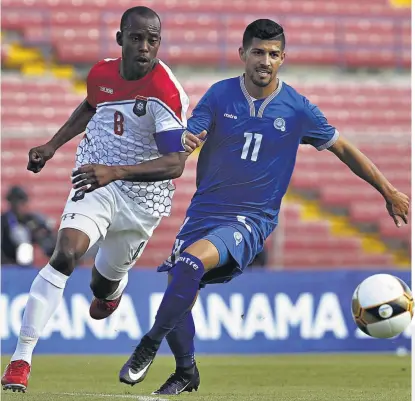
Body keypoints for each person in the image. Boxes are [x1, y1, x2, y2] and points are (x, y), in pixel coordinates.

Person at [118, 19, 410, 395]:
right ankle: (186, 371)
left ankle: (149, 345)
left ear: (283, 58)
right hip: (203, 213)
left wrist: (387, 190)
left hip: (249, 220)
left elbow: (344, 149)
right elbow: (193, 132)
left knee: (189, 264)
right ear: (243, 54)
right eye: (258, 52)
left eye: (273, 54)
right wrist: (188, 140)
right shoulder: (219, 95)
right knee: (180, 282)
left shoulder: (297, 108)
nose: (265, 61)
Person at [1, 6, 202, 393]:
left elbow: (176, 163)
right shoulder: (101, 74)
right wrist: (52, 145)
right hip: (96, 178)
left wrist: (118, 172)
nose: (145, 47)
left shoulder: (165, 91)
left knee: (101, 286)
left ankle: (112, 291)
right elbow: (91, 106)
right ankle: (20, 360)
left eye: (153, 40)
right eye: (137, 38)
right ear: (121, 39)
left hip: (143, 200)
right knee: (65, 253)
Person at [1, 186, 56, 266]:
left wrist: (40, 234)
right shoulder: (3, 220)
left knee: (25, 247)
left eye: (20, 201)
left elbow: (48, 242)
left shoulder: (32, 219)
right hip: (6, 263)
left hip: (26, 262)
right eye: (14, 201)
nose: (17, 205)